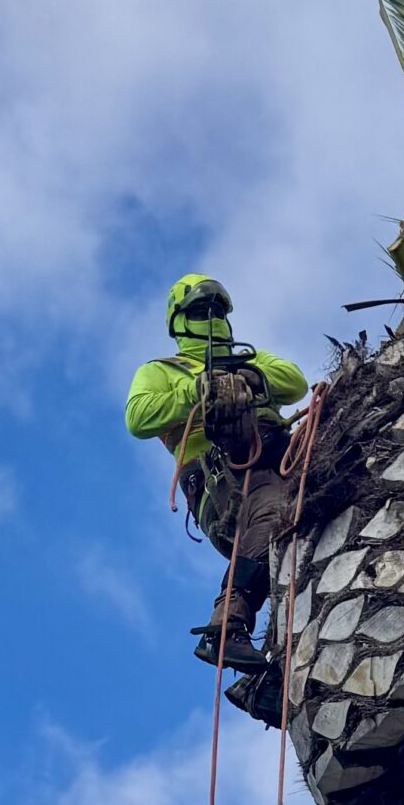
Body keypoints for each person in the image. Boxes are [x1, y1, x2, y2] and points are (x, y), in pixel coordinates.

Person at [127, 274, 310, 723]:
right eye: (199, 311)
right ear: (179, 321)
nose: (211, 319)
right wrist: (197, 391)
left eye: (217, 310)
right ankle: (226, 623)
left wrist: (250, 377)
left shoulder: (247, 358)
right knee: (273, 518)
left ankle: (269, 680)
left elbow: (296, 381)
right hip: (224, 482)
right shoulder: (162, 370)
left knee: (307, 554)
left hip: (279, 461)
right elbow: (139, 415)